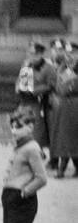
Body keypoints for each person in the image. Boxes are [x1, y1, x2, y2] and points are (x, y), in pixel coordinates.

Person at [16, 41, 55, 156]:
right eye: (29, 53)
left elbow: (51, 85)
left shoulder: (48, 68)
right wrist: (19, 87)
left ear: (39, 54)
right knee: (24, 130)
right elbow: (23, 82)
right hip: (25, 103)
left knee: (37, 132)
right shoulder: (27, 65)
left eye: (32, 53)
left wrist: (34, 90)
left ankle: (38, 154)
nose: (29, 56)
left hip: (39, 104)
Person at [49, 50, 78, 178]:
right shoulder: (67, 72)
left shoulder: (70, 74)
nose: (69, 62)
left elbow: (62, 89)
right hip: (65, 107)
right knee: (66, 139)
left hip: (71, 106)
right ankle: (64, 167)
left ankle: (62, 168)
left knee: (69, 139)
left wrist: (62, 72)